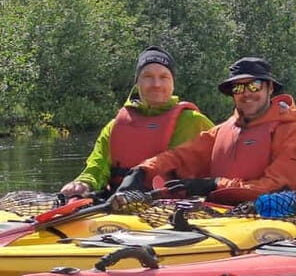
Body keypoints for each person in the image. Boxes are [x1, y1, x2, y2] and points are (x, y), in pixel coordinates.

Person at [117, 57, 296, 203]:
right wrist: (143, 170)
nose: (246, 93)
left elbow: (275, 187)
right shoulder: (222, 130)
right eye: (238, 88)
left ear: (270, 88)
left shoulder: (294, 133)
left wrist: (214, 184)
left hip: (271, 216)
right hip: (221, 215)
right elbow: (181, 156)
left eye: (254, 86)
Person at [60, 46, 213, 198]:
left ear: (173, 84)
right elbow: (97, 167)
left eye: (164, 77)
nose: (156, 84)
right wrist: (83, 183)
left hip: (172, 206)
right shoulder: (114, 126)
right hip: (120, 202)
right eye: (148, 76)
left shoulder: (195, 122)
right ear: (137, 83)